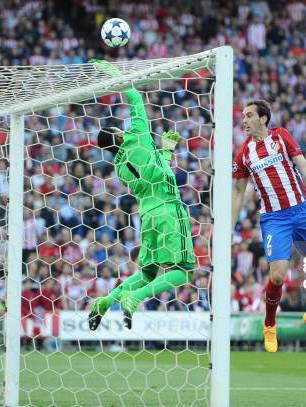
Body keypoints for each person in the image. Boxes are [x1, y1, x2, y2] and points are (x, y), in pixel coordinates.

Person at [87, 59, 195, 330]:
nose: (123, 129)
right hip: (169, 209)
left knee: (147, 272)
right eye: (118, 130)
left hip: (147, 216)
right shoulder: (137, 136)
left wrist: (166, 151)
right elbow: (135, 97)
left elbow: (154, 172)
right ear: (119, 137)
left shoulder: (120, 168)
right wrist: (116, 75)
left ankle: (105, 301)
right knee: (183, 272)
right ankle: (134, 299)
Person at [232, 100, 306, 352]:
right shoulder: (244, 153)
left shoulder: (281, 137)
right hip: (274, 218)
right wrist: (228, 228)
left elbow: (304, 165)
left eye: (249, 115)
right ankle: (269, 326)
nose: (244, 120)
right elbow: (238, 193)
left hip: (300, 209)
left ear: (263, 118)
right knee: (277, 274)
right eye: (243, 116)